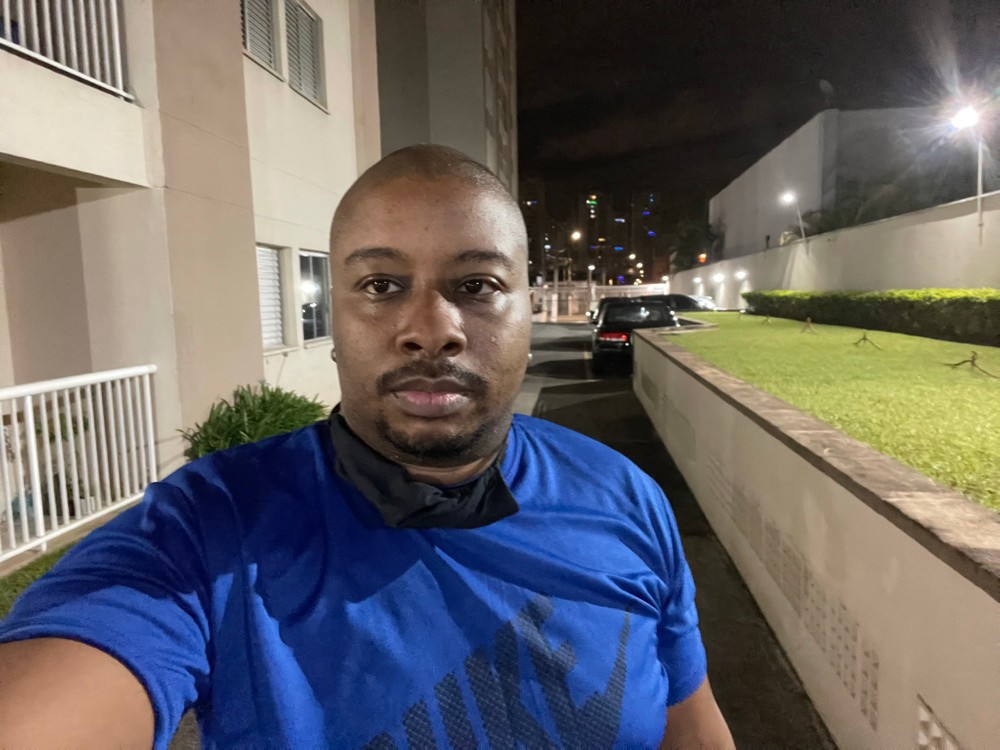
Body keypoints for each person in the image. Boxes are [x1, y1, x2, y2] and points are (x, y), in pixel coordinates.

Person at [0, 145, 734, 749]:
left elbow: (690, 726)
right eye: (381, 284)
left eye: (477, 285)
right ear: (336, 318)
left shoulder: (625, 497)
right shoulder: (209, 526)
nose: (431, 329)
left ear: (527, 315)